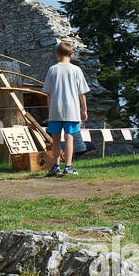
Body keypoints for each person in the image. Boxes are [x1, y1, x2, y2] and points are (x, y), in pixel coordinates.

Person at [43, 40, 89, 177]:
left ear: (58, 55)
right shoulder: (76, 70)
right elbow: (82, 94)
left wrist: (49, 110)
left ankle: (55, 166)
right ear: (72, 55)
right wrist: (84, 110)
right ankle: (68, 167)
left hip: (56, 109)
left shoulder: (52, 69)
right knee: (69, 137)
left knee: (55, 139)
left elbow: (48, 94)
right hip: (72, 110)